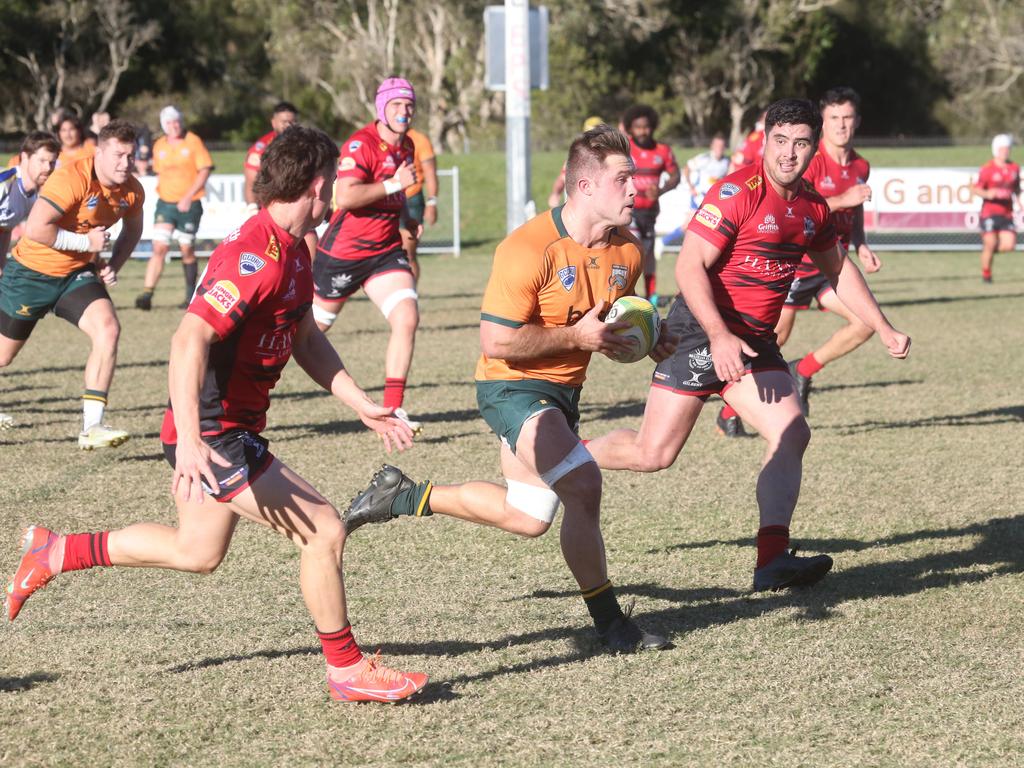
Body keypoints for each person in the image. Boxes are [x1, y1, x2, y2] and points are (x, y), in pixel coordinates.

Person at [4, 125, 428, 704]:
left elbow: (303, 336)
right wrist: (194, 441)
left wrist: (360, 404)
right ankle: (347, 669)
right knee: (324, 530)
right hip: (212, 431)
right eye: (333, 184)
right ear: (318, 184)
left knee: (196, 552)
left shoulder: (296, 250)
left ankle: (56, 551)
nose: (336, 193)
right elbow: (188, 341)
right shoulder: (255, 254)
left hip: (223, 428)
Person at [343, 125, 675, 653]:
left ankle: (402, 495)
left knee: (528, 515)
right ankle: (612, 626)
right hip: (511, 389)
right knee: (584, 485)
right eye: (623, 179)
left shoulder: (628, 253)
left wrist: (647, 338)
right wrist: (576, 336)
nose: (637, 188)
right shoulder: (527, 249)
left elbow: (617, 315)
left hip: (563, 397)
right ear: (585, 187)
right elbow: (496, 342)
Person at [584, 99, 911, 591]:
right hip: (699, 332)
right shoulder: (736, 192)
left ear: (813, 146)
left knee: (792, 431)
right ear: (765, 140)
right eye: (781, 141)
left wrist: (882, 327)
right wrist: (718, 336)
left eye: (801, 143)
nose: (789, 153)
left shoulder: (812, 207)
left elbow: (838, 270)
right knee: (653, 454)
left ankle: (772, 560)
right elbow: (688, 266)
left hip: (754, 343)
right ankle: (560, 454)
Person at [717, 87, 881, 434]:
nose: (842, 125)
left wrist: (861, 242)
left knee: (865, 322)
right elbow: (795, 205)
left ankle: (804, 370)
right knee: (767, 344)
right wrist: (842, 198)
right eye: (834, 118)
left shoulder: (861, 164)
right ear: (823, 123)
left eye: (848, 117)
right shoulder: (808, 158)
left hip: (826, 267)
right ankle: (731, 411)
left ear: (858, 121)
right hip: (790, 266)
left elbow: (856, 207)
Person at [0, 120, 144, 448]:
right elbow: (36, 229)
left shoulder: (133, 190)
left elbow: (133, 231)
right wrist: (87, 244)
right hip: (30, 274)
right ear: (100, 153)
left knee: (108, 329)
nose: (126, 163)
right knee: (3, 357)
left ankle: (92, 427)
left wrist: (113, 266)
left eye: (131, 156)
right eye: (119, 155)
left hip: (75, 276)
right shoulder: (71, 178)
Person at [313, 77, 422, 430]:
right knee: (305, 334)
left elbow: (397, 193)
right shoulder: (361, 144)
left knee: (407, 318)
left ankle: (393, 408)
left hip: (385, 251)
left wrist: (407, 218)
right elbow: (344, 196)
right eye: (396, 105)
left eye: (408, 105)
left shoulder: (408, 147)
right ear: (381, 109)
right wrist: (394, 184)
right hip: (344, 253)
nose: (404, 112)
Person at [0, 131, 61, 430]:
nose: (47, 168)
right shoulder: (4, 184)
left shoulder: (36, 195)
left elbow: (4, 228)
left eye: (52, 162)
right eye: (41, 161)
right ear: (23, 158)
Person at [135, 106, 214, 311]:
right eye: (169, 123)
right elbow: (156, 170)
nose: (174, 126)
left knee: (186, 249)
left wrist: (188, 196)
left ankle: (189, 295)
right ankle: (147, 293)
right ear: (164, 125)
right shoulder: (159, 144)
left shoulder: (193, 141)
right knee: (159, 247)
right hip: (166, 203)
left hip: (190, 203)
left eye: (176, 121)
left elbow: (204, 170)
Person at [623, 104, 680, 306]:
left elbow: (676, 176)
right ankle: (628, 292)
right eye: (637, 127)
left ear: (652, 126)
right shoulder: (624, 148)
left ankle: (651, 295)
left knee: (647, 253)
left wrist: (661, 190)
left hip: (650, 212)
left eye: (646, 127)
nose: (642, 131)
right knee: (633, 250)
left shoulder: (663, 151)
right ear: (630, 127)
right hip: (627, 210)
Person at [971, 133, 1021, 283]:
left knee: (1009, 245)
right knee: (990, 243)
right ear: (995, 150)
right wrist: (987, 193)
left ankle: (988, 251)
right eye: (1002, 149)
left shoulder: (1014, 168)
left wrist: (1019, 201)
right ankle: (986, 274)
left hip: (1007, 213)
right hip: (990, 213)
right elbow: (975, 188)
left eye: (1008, 149)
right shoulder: (987, 169)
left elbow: (1017, 188)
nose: (1005, 152)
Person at [242, 101, 299, 214]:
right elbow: (251, 182)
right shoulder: (260, 148)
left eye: (292, 122)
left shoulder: (305, 145)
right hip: (268, 208)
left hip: (296, 207)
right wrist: (253, 209)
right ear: (273, 123)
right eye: (284, 122)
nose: (288, 125)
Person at [401, 125, 438, 283]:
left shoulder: (419, 140)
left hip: (411, 200)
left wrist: (432, 202)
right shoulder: (378, 138)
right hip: (385, 198)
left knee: (408, 252)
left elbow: (430, 173)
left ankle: (410, 294)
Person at [548, 116, 604, 208]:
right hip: (578, 211)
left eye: (600, 134)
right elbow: (562, 178)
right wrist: (555, 194)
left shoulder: (610, 156)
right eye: (593, 135)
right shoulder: (577, 156)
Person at [682, 133, 730, 226]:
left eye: (722, 146)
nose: (719, 148)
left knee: (708, 227)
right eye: (717, 146)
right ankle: (665, 241)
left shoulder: (727, 162)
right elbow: (687, 168)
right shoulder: (703, 158)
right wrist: (690, 186)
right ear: (712, 146)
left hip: (715, 199)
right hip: (699, 196)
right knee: (689, 224)